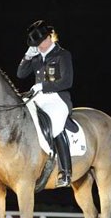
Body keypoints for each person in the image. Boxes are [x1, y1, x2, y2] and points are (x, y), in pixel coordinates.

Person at [17, 20, 74, 187]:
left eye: (41, 42)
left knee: (55, 125)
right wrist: (27, 56)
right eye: (36, 44)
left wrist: (43, 85)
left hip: (58, 98)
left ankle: (65, 172)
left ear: (50, 37)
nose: (39, 46)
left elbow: (67, 82)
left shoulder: (63, 55)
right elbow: (20, 74)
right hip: (39, 97)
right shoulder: (35, 58)